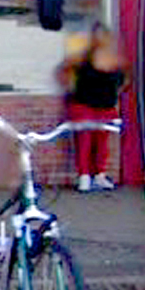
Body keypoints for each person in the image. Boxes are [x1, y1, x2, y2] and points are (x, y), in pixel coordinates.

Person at [56, 22, 128, 192]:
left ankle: (99, 175)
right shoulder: (81, 57)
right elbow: (64, 71)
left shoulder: (114, 59)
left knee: (102, 143)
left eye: (103, 37)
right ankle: (84, 177)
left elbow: (125, 79)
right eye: (97, 37)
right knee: (84, 141)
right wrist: (71, 88)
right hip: (84, 104)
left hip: (106, 106)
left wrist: (116, 94)